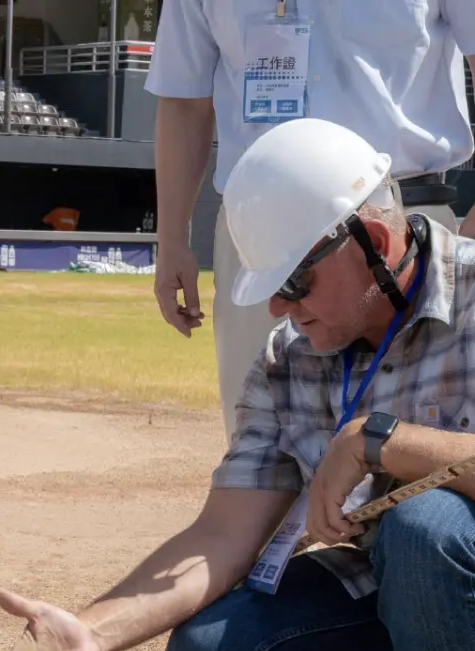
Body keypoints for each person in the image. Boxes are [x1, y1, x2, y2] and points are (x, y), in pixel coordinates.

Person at [0, 118, 475, 651]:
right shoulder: (289, 356)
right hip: (404, 609)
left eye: (292, 282)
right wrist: (91, 633)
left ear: (375, 242)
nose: (278, 307)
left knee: (424, 527)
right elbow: (223, 534)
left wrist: (378, 440)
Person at [145, 0, 475, 441]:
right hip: (259, 238)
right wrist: (171, 239)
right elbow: (184, 100)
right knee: (262, 438)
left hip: (399, 220)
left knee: (427, 443)